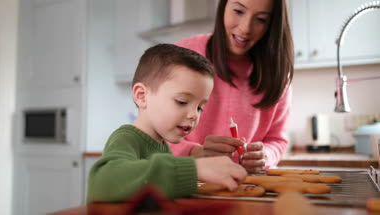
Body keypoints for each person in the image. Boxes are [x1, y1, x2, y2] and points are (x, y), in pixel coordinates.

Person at [86, 44, 247, 203]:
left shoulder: (162, 145)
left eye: (200, 107)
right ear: (142, 96)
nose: (193, 115)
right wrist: (195, 169)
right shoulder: (126, 138)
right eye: (182, 102)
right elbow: (104, 181)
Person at [169, 0, 294, 173]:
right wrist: (195, 153)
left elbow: (277, 140)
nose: (245, 28)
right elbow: (150, 136)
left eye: (261, 19)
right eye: (238, 11)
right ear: (223, 7)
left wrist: (265, 155)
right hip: (183, 183)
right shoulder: (178, 56)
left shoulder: (278, 74)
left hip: (245, 189)